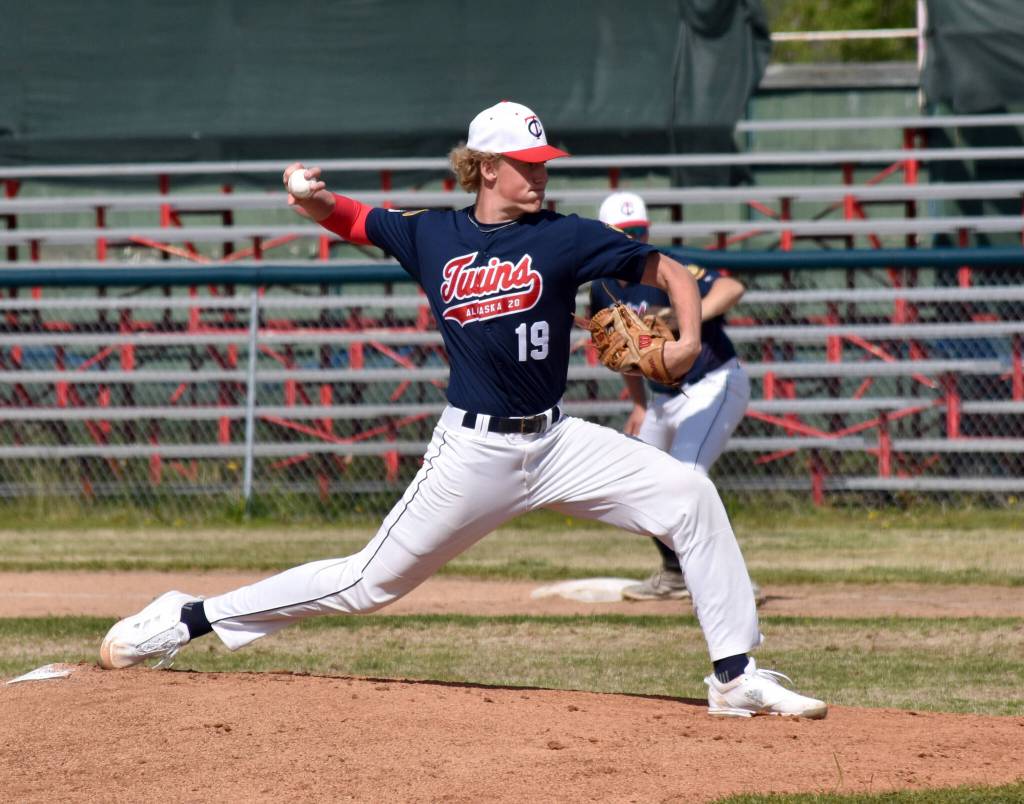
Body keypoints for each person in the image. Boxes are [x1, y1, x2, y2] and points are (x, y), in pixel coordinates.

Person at [98, 101, 825, 718]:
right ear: (484, 167)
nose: (540, 172)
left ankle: (735, 677)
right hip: (473, 453)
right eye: (526, 162)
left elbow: (665, 268)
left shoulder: (566, 235)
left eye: (544, 161)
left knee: (690, 493)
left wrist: (690, 340)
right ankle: (189, 616)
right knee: (367, 584)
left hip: (558, 442)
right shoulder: (433, 234)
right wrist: (307, 194)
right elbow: (353, 219)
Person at [590, 191, 761, 604]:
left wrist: (684, 315)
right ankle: (674, 573)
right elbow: (619, 353)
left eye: (638, 232)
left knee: (687, 477)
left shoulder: (664, 267)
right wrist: (638, 403)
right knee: (637, 485)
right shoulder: (602, 285)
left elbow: (731, 287)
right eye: (622, 232)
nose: (631, 239)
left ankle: (730, 582)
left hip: (714, 383)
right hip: (662, 398)